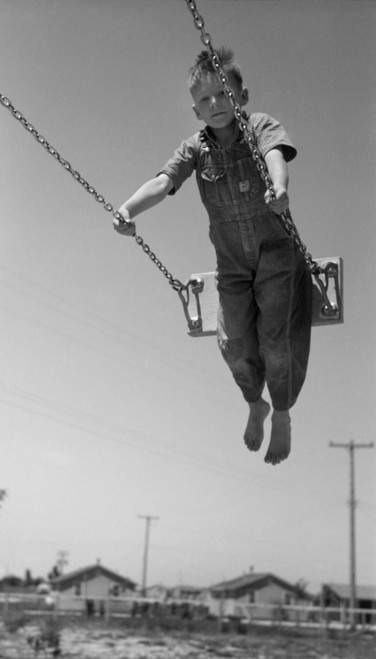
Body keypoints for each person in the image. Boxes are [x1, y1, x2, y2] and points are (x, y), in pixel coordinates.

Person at [114, 48, 312, 465]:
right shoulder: (194, 150)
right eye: (205, 100)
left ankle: (282, 411)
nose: (216, 104)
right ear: (195, 110)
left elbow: (275, 155)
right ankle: (254, 403)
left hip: (277, 256)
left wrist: (279, 187)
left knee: (277, 343)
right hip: (233, 267)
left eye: (223, 93)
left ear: (242, 95)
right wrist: (128, 209)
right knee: (235, 345)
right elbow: (163, 181)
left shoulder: (260, 126)